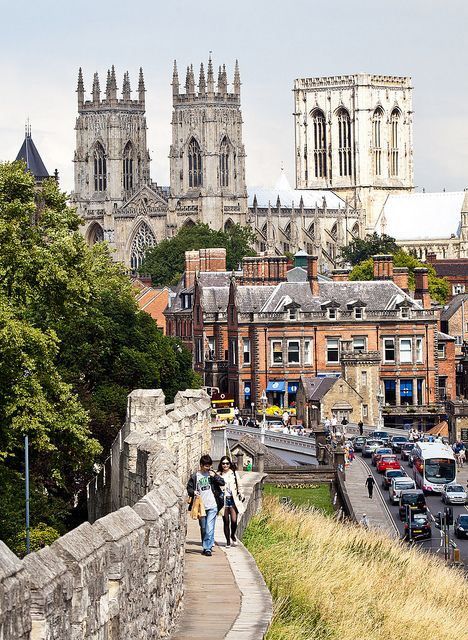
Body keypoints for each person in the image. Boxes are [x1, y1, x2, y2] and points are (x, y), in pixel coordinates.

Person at [187, 454, 225, 556]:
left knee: (209, 527)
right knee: (203, 528)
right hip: (201, 506)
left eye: (209, 466)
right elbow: (189, 488)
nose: (208, 468)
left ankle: (207, 548)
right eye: (206, 466)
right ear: (201, 465)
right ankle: (207, 544)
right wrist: (193, 492)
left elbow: (222, 482)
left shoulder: (212, 475)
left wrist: (215, 476)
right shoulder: (195, 476)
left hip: (213, 505)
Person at [218, 456, 245, 547]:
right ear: (221, 464)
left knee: (234, 520)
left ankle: (233, 535)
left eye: (227, 463)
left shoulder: (234, 474)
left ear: (230, 464)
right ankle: (228, 541)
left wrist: (241, 493)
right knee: (226, 521)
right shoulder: (219, 474)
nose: (225, 465)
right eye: (223, 463)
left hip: (233, 499)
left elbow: (239, 485)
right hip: (224, 500)